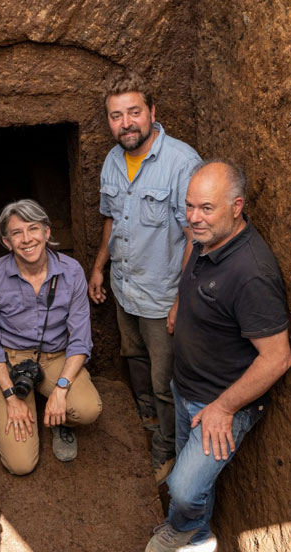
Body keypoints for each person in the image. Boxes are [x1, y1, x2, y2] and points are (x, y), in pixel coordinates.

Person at [144, 161, 291, 552]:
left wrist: (224, 408)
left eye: (206, 208)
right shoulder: (205, 237)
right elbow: (192, 261)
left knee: (185, 488)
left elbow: (278, 358)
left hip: (220, 403)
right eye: (190, 206)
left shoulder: (252, 274)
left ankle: (181, 526)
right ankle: (201, 536)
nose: (193, 218)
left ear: (236, 207)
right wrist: (179, 302)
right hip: (187, 385)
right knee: (186, 472)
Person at [88, 71, 203, 484]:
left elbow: (196, 239)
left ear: (152, 112)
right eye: (116, 116)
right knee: (133, 359)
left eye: (134, 112)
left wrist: (180, 303)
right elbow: (111, 220)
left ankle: (165, 451)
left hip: (162, 299)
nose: (126, 123)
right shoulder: (113, 160)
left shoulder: (182, 163)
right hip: (126, 288)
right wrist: (100, 267)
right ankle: (148, 423)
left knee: (163, 380)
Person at [0, 199, 102, 475]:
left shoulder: (71, 272)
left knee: (87, 408)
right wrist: (11, 397)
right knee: (20, 464)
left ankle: (61, 421)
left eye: (33, 229)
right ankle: (28, 401)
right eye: (16, 233)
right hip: (10, 361)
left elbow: (80, 340)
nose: (26, 239)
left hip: (56, 357)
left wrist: (60, 389)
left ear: (46, 232)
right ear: (7, 242)